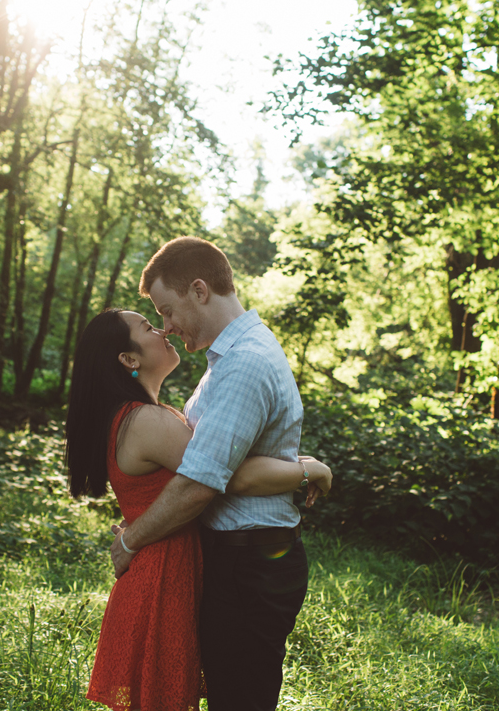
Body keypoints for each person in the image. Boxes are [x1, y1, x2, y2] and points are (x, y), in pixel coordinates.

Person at [68, 307, 332, 711]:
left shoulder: (137, 417)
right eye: (149, 326)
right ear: (128, 359)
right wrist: (308, 469)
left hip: (162, 570)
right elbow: (231, 476)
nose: (163, 330)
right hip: (161, 578)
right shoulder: (146, 422)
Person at [106, 236, 311, 710]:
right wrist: (303, 469)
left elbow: (201, 482)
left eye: (167, 310)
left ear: (199, 290)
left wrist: (130, 542)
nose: (166, 326)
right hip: (235, 560)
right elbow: (220, 461)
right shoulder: (224, 358)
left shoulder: (243, 364)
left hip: (249, 564)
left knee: (239, 700)